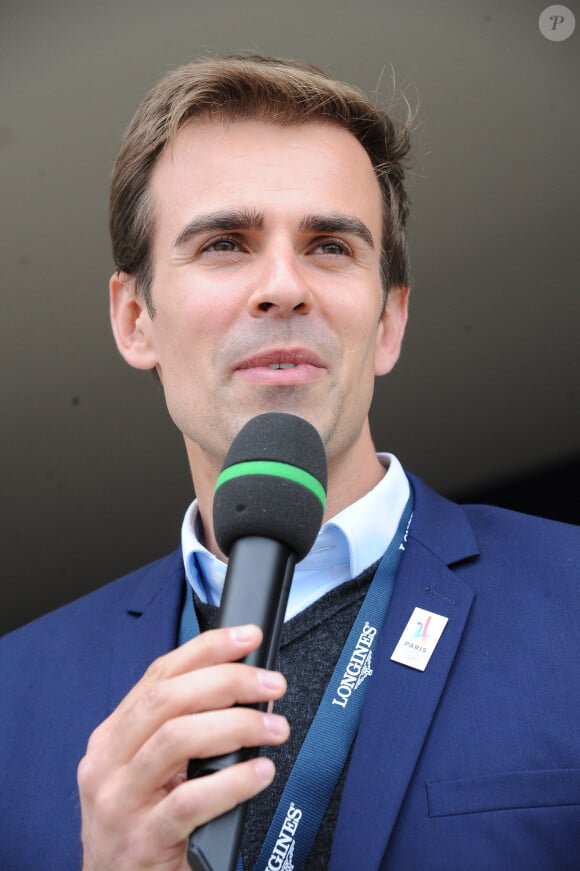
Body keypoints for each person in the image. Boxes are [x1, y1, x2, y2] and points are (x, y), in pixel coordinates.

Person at [0, 55, 578, 871]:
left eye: (331, 245)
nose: (282, 286)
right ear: (135, 319)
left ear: (388, 323)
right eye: (227, 243)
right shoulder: (10, 700)